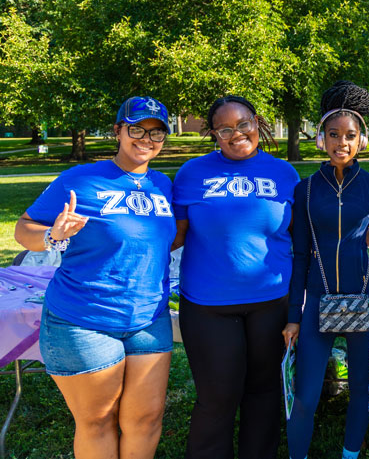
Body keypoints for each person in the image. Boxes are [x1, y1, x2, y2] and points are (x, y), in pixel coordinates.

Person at [14, 96, 176, 459]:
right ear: (118, 131)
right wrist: (52, 237)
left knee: (146, 420)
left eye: (156, 133)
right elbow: (24, 228)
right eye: (137, 129)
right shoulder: (81, 178)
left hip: (148, 319)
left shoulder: (163, 184)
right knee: (98, 422)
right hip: (84, 319)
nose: (146, 140)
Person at [171, 95, 299, 459]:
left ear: (256, 123)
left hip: (272, 302)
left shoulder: (284, 173)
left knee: (264, 393)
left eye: (243, 124)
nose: (236, 133)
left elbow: (302, 236)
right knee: (217, 397)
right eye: (225, 128)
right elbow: (175, 236)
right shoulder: (191, 174)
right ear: (213, 134)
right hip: (209, 305)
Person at [283, 81, 369, 459]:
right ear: (321, 137)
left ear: (362, 140)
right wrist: (292, 317)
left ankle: (350, 454)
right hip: (317, 301)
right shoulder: (306, 189)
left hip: (363, 300)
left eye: (350, 136)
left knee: (361, 389)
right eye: (334, 135)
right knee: (305, 394)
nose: (341, 143)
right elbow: (300, 254)